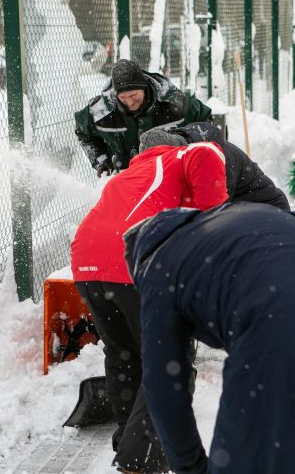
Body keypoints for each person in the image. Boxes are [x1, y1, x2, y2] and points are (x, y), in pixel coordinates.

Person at [124, 202, 295, 474]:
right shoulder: (249, 213)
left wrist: (190, 466)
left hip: (285, 344)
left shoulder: (157, 267)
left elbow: (162, 384)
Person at [70, 128, 229, 473]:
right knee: (170, 358)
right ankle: (140, 460)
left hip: (86, 264)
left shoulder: (128, 175)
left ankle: (128, 439)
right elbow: (208, 176)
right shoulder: (185, 156)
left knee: (123, 351)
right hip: (131, 261)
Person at [74, 59, 215, 177]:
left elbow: (206, 123)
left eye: (133, 95)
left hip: (171, 176)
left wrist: (189, 150)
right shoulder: (101, 111)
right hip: (126, 180)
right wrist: (102, 161)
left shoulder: (174, 102)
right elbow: (83, 132)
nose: (129, 102)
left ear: (144, 88)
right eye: (123, 97)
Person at [171, 121, 290, 210]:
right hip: (245, 211)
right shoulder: (189, 150)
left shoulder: (216, 161)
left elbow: (215, 213)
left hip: (269, 211)